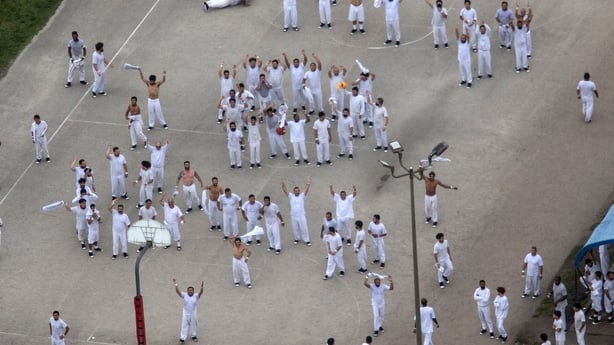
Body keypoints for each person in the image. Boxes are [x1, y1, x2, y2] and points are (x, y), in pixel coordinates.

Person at [281, 176, 312, 246]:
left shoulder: (302, 196)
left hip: (301, 215)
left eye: (298, 191)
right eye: (296, 191)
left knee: (304, 227)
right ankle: (297, 238)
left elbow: (306, 190)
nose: (297, 192)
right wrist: (283, 185)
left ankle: (307, 240)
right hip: (294, 216)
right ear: (293, 191)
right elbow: (285, 191)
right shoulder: (291, 196)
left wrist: (308, 183)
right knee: (295, 228)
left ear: (299, 191)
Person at [172, 278, 203, 343]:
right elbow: (178, 292)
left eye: (191, 290)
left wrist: (202, 287)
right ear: (187, 291)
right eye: (189, 290)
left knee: (193, 324)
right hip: (185, 313)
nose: (190, 291)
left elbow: (201, 293)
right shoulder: (184, 295)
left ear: (193, 291)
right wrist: (175, 284)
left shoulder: (196, 296)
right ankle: (182, 338)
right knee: (184, 325)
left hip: (193, 313)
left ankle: (193, 336)